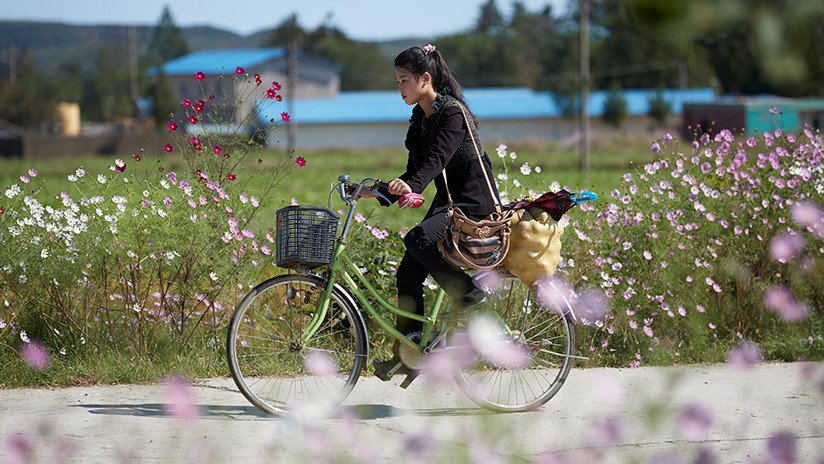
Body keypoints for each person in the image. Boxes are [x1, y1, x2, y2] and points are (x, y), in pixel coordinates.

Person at [370, 44, 503, 381]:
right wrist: (381, 189)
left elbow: (435, 162)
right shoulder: (420, 121)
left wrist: (412, 184)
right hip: (449, 201)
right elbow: (415, 168)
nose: (399, 87)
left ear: (424, 79)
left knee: (418, 239)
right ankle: (408, 352)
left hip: (474, 201)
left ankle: (472, 298)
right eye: (397, 81)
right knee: (407, 272)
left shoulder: (452, 113)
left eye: (404, 81)